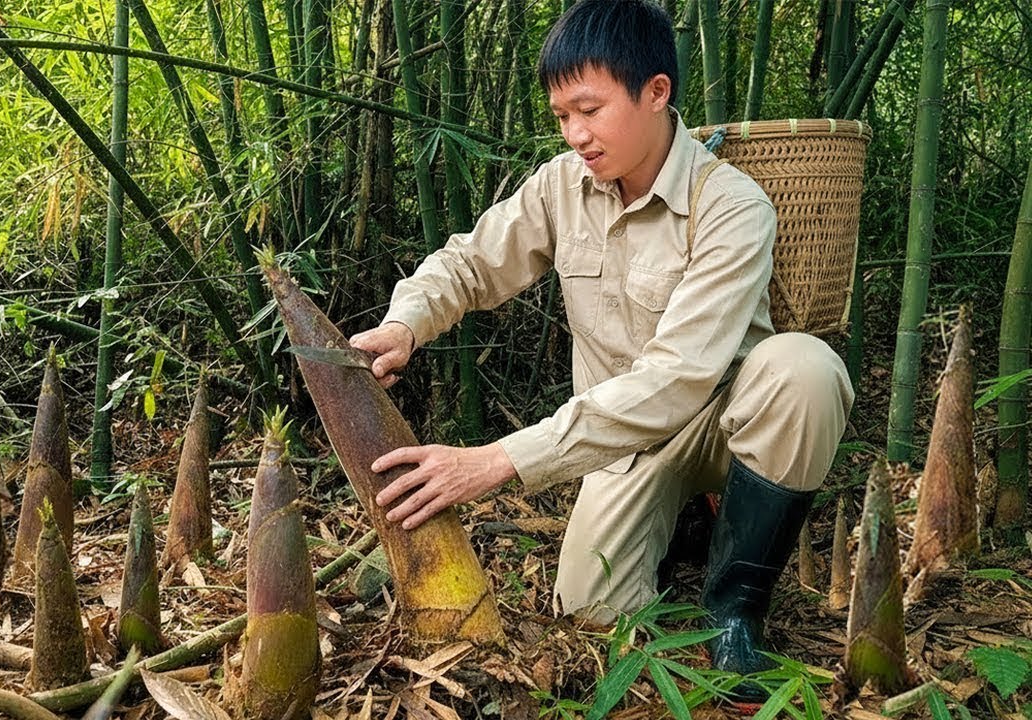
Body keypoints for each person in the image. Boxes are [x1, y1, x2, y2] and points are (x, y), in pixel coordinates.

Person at [348, 0, 853, 702]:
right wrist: (405, 324)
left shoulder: (732, 206)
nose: (576, 133)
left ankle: (735, 613)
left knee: (805, 370)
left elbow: (678, 379)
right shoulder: (562, 186)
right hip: (622, 447)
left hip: (722, 426)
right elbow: (470, 262)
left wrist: (497, 461)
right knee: (588, 612)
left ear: (656, 91)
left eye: (590, 109)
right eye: (562, 116)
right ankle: (680, 530)